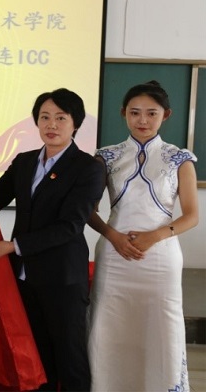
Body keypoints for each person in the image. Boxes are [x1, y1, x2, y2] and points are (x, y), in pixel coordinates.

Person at [0, 88, 105, 390]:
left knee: (70, 359)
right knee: (36, 358)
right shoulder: (24, 162)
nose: (51, 125)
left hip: (62, 277)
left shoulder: (88, 168)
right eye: (44, 117)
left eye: (61, 118)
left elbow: (70, 225)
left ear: (75, 123)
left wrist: (15, 246)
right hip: (24, 276)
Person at [87, 80, 199, 391]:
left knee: (162, 328)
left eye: (152, 113)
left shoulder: (179, 158)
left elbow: (191, 215)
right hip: (114, 257)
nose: (143, 120)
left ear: (166, 115)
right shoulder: (106, 157)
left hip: (160, 259)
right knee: (108, 329)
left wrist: (154, 236)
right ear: (123, 113)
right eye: (135, 112)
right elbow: (88, 211)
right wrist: (113, 236)